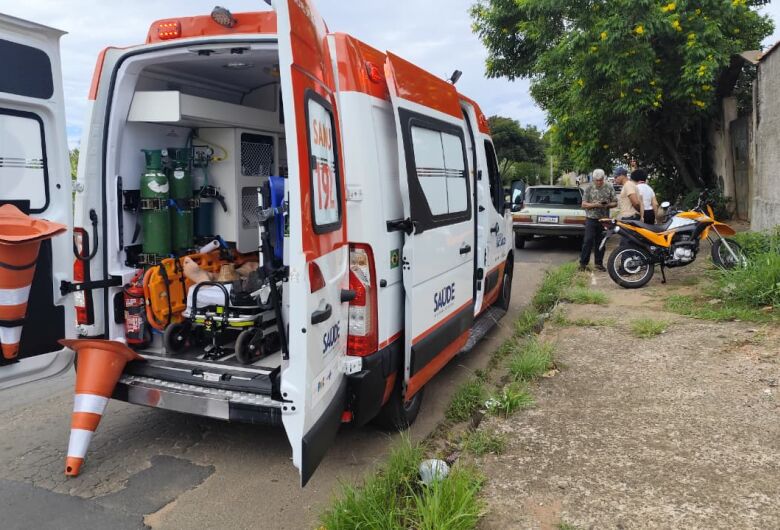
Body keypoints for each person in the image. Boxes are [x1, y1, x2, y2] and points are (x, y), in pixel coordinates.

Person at [579, 169, 617, 271]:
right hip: (591, 218)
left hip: (604, 219)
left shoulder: (609, 187)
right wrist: (595, 204)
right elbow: (583, 204)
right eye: (597, 180)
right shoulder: (589, 188)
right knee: (588, 240)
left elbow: (615, 202)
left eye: (601, 180)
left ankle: (598, 263)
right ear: (594, 179)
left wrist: (607, 204)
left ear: (603, 178)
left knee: (601, 242)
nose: (599, 182)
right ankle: (583, 263)